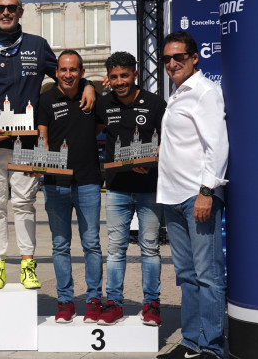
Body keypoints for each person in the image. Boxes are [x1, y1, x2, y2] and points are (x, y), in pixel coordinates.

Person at [0, 0, 95, 289]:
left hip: (27, 144)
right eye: (0, 8)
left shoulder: (37, 46)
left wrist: (87, 83)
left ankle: (27, 264)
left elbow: (65, 75)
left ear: (21, 11)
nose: (6, 13)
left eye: (12, 8)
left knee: (24, 205)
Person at [156, 32, 228, 359]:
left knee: (207, 277)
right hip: (172, 198)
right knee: (186, 276)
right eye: (167, 59)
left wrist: (206, 192)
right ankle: (190, 343)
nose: (172, 64)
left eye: (179, 57)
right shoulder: (177, 94)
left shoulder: (205, 93)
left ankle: (211, 347)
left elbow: (218, 146)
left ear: (195, 58)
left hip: (195, 198)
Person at [94, 51, 166, 326]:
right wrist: (93, 88)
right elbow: (87, 124)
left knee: (149, 248)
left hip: (149, 187)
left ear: (135, 74)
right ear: (108, 79)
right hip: (117, 188)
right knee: (115, 249)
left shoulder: (155, 103)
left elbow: (168, 140)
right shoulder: (104, 104)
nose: (120, 81)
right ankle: (113, 303)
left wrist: (152, 160)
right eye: (114, 77)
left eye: (124, 75)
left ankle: (152, 305)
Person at [37, 50, 103, 323]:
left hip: (88, 181)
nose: (67, 74)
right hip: (55, 184)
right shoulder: (46, 99)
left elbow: (99, 126)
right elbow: (43, 138)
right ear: (57, 72)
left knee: (92, 244)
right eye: (63, 69)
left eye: (73, 70)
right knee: (60, 245)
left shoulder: (92, 98)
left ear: (82, 72)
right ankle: (65, 301)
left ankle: (94, 299)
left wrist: (91, 88)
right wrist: (38, 166)